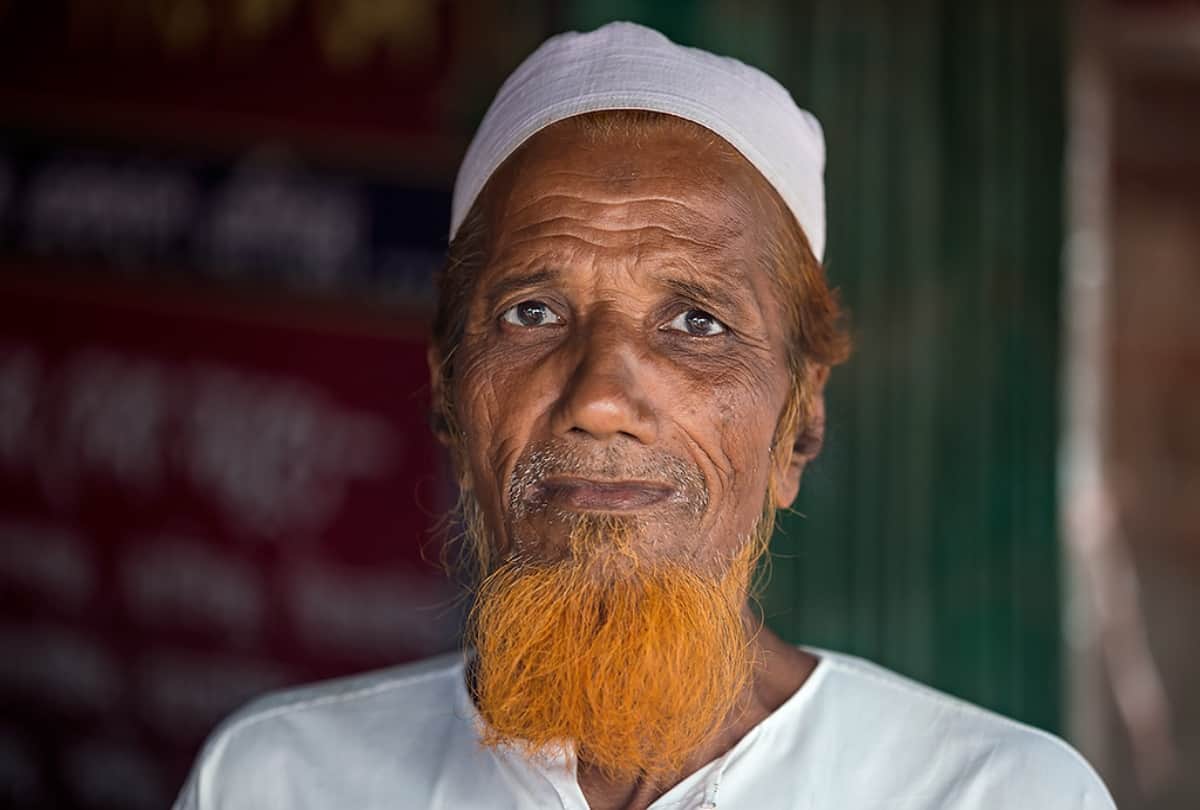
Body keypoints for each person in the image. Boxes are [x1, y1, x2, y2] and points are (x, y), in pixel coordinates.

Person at [174, 22, 1116, 810]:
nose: (600, 398)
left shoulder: (995, 796)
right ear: (452, 405)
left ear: (799, 426)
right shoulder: (274, 781)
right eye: (532, 313)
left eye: (696, 322)